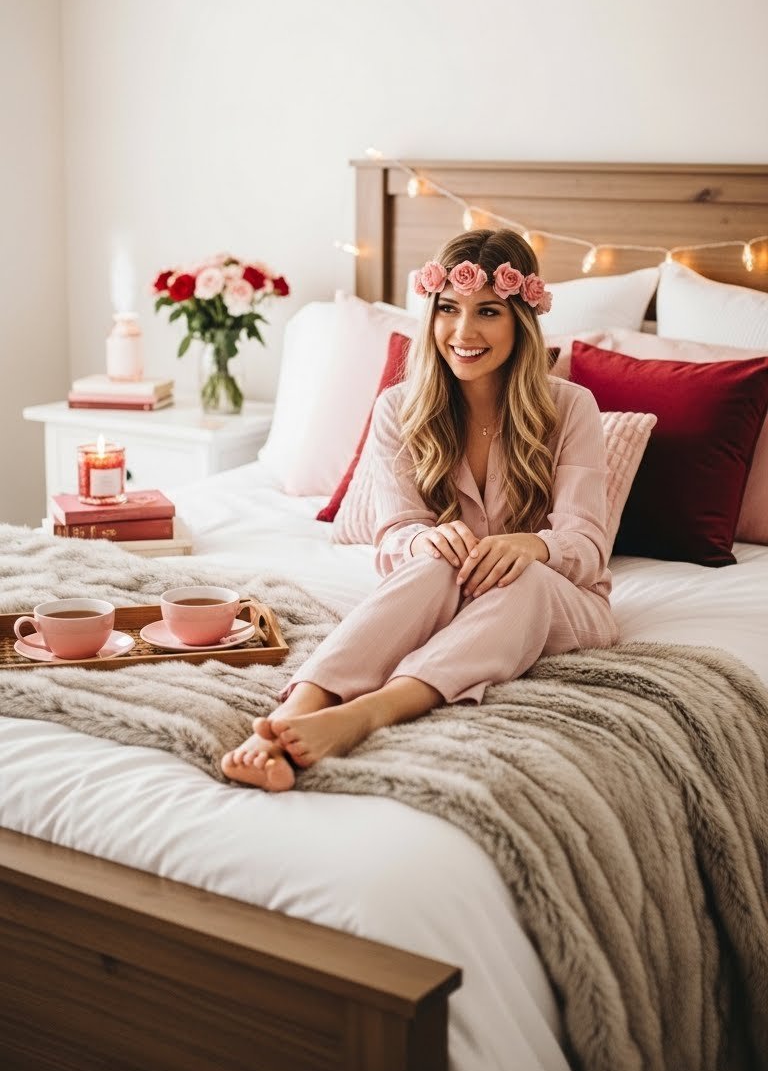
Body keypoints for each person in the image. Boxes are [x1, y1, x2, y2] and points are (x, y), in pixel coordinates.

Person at [221, 228, 619, 791]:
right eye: (448, 309)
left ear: (521, 321)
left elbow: (587, 546)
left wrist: (531, 544)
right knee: (430, 564)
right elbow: (393, 536)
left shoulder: (570, 407)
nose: (463, 332)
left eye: (488, 312)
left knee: (522, 579)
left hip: (559, 600)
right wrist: (422, 541)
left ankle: (364, 714)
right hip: (451, 586)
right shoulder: (398, 408)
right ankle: (291, 714)